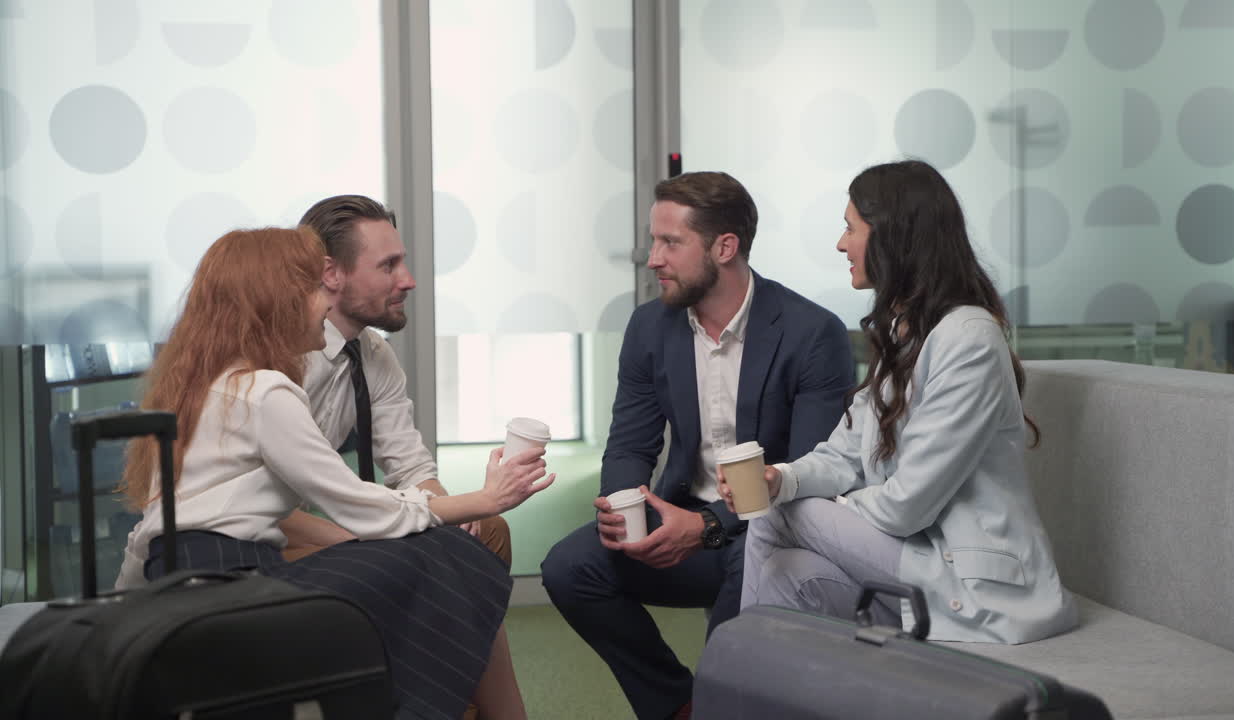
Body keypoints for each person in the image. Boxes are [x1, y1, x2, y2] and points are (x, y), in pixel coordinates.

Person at [115, 227, 553, 720]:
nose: (327, 299)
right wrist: (486, 498)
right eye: (315, 287)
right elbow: (359, 506)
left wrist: (124, 602)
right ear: (276, 303)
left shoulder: (205, 384)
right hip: (240, 578)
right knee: (448, 553)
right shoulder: (265, 391)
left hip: (194, 575)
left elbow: (158, 528)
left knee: (450, 550)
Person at [541, 171, 856, 720]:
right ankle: (678, 705)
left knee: (746, 587)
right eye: (653, 240)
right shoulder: (649, 328)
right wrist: (627, 514)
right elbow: (629, 443)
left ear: (724, 247)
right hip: (681, 517)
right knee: (570, 567)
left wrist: (709, 525)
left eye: (670, 243)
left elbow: (812, 473)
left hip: (770, 527)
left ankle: (719, 703)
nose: (652, 258)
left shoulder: (812, 333)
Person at [724, 159, 1077, 644]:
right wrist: (781, 478)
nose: (840, 244)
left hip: (976, 585)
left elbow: (908, 505)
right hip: (917, 561)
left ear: (893, 237)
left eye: (850, 229)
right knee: (788, 570)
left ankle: (735, 681)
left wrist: (824, 505)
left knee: (775, 514)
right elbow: (845, 453)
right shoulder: (905, 334)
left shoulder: (968, 339)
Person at [278, 194, 511, 568]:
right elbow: (258, 506)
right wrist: (368, 539)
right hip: (260, 530)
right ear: (331, 273)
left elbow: (411, 467)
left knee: (486, 529)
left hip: (334, 518)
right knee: (386, 556)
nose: (409, 280)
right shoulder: (277, 355)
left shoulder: (372, 352)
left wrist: (451, 509)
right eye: (389, 266)